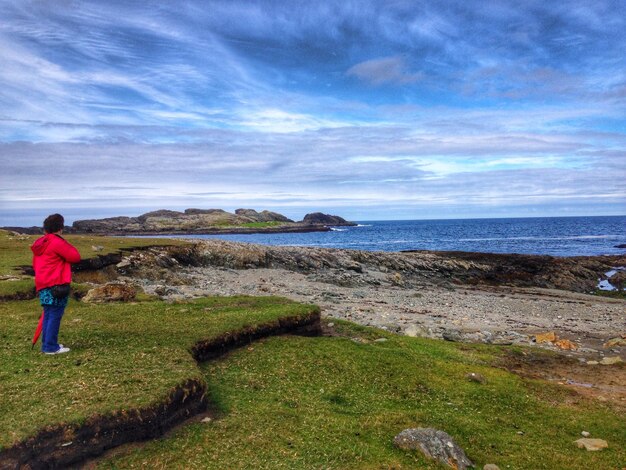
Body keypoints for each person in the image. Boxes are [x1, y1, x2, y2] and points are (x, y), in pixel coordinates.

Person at [31, 214, 81, 354]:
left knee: (48, 313)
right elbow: (75, 256)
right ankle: (50, 347)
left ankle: (47, 344)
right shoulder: (56, 242)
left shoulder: (40, 242)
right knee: (54, 314)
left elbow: (35, 264)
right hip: (56, 284)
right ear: (60, 228)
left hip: (43, 283)